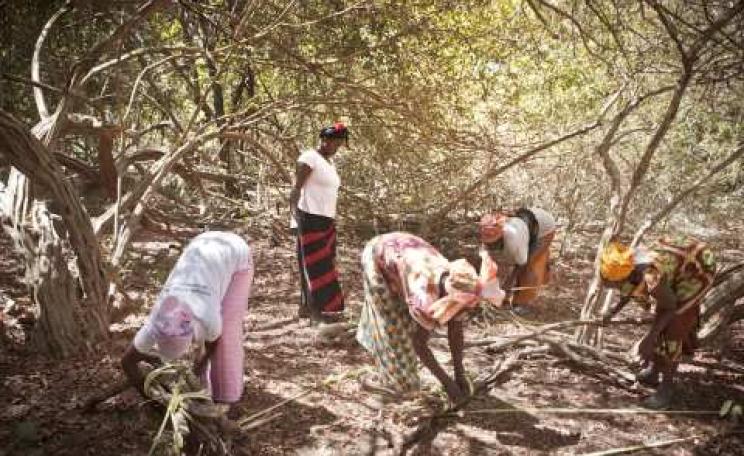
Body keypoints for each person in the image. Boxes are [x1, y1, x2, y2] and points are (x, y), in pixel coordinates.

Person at [356, 232, 505, 402]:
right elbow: (419, 344)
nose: (459, 314)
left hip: (405, 252)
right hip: (379, 256)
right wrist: (447, 383)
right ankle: (392, 380)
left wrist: (459, 374)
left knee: (410, 325)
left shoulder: (462, 283)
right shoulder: (423, 297)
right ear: (444, 300)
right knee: (394, 328)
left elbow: (456, 330)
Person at [121, 231, 254, 414]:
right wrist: (150, 398)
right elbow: (126, 362)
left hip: (235, 253)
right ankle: (204, 391)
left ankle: (227, 399)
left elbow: (211, 345)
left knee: (227, 335)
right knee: (208, 353)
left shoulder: (208, 317)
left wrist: (198, 368)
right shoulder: (155, 321)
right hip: (202, 245)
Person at [599, 236, 716, 408]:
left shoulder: (651, 277)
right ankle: (653, 373)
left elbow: (669, 308)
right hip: (678, 264)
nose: (614, 288)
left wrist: (650, 338)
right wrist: (612, 312)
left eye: (614, 285)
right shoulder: (628, 265)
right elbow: (629, 289)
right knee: (662, 318)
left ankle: (666, 390)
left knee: (674, 328)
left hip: (697, 269)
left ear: (627, 276)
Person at [289, 122, 348, 323]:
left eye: (339, 144)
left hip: (327, 220)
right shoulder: (309, 158)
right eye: (333, 142)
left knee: (327, 264)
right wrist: (294, 218)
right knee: (313, 265)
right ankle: (315, 312)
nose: (335, 147)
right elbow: (297, 188)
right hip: (309, 217)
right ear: (324, 140)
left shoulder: (330, 164)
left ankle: (316, 308)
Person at [479, 208, 556, 314]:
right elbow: (487, 260)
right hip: (527, 225)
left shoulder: (513, 240)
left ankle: (522, 302)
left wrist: (508, 284)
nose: (491, 245)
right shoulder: (488, 233)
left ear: (501, 237)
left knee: (529, 266)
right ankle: (502, 299)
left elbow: (521, 264)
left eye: (494, 243)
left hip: (544, 230)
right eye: (489, 243)